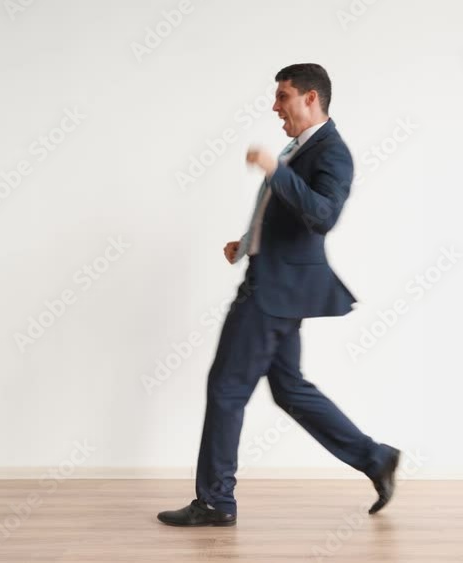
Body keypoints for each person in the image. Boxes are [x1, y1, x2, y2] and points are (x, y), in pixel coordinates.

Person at [157, 63, 400, 527]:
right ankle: (376, 458)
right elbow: (285, 215)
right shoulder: (301, 147)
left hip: (272, 292)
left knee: (227, 389)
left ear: (311, 98)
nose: (274, 106)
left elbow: (323, 216)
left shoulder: (333, 152)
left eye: (283, 96)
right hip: (278, 284)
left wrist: (275, 170)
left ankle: (215, 501)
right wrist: (249, 242)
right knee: (289, 388)